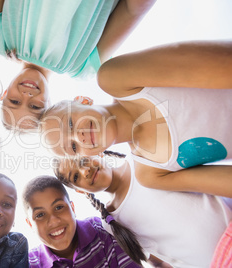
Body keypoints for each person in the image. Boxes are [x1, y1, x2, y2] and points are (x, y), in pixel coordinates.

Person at [40, 40, 232, 197]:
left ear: (82, 100)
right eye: (73, 147)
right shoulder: (150, 174)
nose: (78, 136)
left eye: (70, 123)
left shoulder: (114, 78)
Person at [0, 0, 156, 129]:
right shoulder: (82, 68)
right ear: (49, 103)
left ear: (5, 94)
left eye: (15, 101)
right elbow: (131, 11)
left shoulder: (0, 42)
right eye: (35, 106)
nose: (27, 95)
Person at [54, 154, 232, 268]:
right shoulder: (112, 221)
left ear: (96, 151)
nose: (85, 171)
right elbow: (157, 260)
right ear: (79, 191)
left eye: (83, 160)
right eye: (76, 176)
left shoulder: (140, 159)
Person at [23, 175, 144, 267]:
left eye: (59, 207)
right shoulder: (29, 263)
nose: (53, 221)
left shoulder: (103, 232)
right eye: (40, 215)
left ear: (73, 208)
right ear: (30, 224)